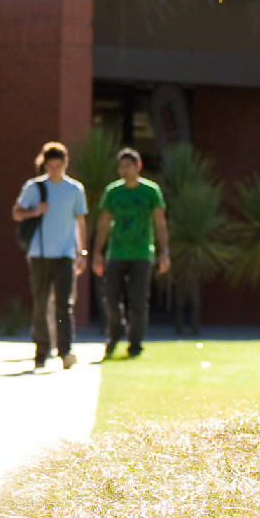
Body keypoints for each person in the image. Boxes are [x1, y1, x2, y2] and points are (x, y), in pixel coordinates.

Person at [12, 142, 87, 371]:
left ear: (65, 164)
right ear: (44, 164)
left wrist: (81, 251)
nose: (54, 170)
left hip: (65, 255)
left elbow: (80, 221)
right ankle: (41, 350)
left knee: (64, 305)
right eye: (50, 165)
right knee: (41, 304)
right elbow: (16, 213)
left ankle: (64, 350)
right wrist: (35, 211)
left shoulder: (75, 190)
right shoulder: (34, 187)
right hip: (40, 253)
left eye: (58, 165)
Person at [91, 147, 170, 359]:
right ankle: (115, 332)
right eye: (121, 166)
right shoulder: (113, 192)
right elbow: (103, 224)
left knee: (138, 301)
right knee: (110, 298)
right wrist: (97, 253)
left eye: (128, 166)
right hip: (116, 253)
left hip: (142, 253)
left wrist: (164, 252)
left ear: (138, 166)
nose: (124, 170)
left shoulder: (150, 191)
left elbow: (160, 223)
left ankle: (135, 343)